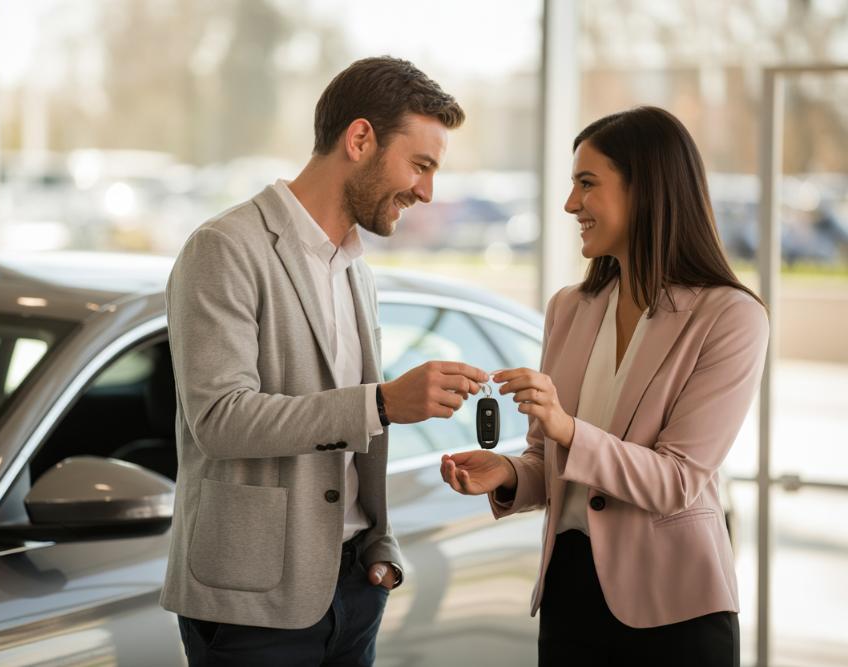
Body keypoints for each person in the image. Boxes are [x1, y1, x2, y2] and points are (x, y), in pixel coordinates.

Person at [160, 56, 489, 666]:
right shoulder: (224, 248)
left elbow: (349, 445)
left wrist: (379, 548)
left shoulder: (355, 270)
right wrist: (384, 402)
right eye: (420, 165)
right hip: (250, 609)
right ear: (360, 139)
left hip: (355, 591)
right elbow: (220, 420)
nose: (427, 191)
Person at [440, 106, 769, 667]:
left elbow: (677, 480)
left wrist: (566, 426)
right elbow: (554, 460)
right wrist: (511, 475)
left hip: (675, 609)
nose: (571, 204)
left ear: (647, 190)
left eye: (586, 184)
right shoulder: (570, 308)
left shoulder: (730, 317)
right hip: (570, 597)